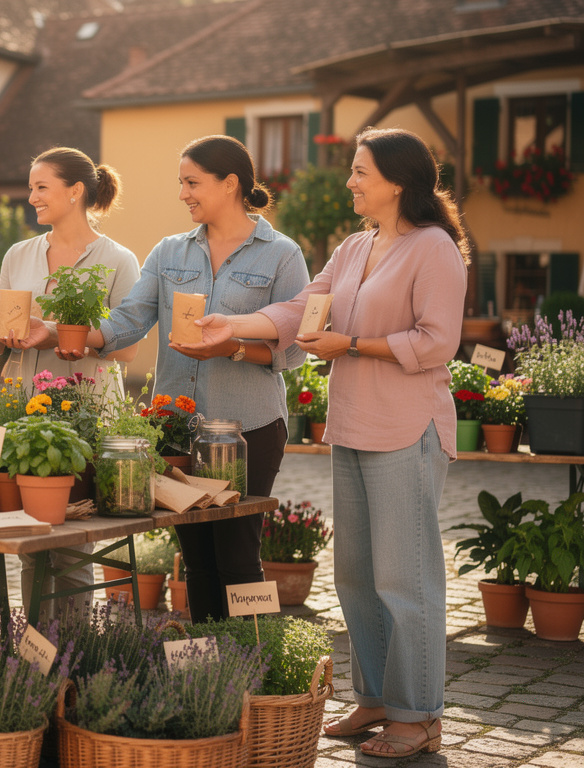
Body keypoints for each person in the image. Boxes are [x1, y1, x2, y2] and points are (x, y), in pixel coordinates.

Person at [186, 127, 467, 758]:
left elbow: (438, 341)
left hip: (407, 428)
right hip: (353, 426)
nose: (351, 182)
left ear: (398, 181)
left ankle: (419, 714)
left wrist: (355, 345)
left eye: (361, 172)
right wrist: (228, 326)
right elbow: (299, 309)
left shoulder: (434, 248)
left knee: (406, 578)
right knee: (357, 577)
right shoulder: (354, 248)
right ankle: (375, 698)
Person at [79, 135, 309, 622]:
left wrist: (235, 348)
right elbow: (130, 319)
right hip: (177, 431)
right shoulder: (168, 252)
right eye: (180, 183)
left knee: (239, 555)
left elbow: (294, 351)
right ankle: (211, 667)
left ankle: (252, 663)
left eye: (191, 182)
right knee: (197, 559)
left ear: (230, 185)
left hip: (247, 430)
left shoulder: (281, 255)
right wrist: (73, 335)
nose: (182, 193)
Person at [0, 147, 139, 618]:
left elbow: (125, 349)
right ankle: (36, 653)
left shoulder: (118, 259)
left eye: (41, 187)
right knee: (29, 540)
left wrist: (72, 338)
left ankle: (71, 653)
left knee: (72, 543)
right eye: (30, 188)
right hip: (25, 410)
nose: (32, 198)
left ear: (76, 191)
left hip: (86, 412)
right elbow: (8, 338)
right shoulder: (19, 255)